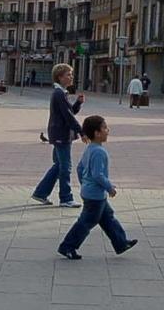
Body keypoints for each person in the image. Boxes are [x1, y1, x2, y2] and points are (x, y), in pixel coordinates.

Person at [57, 115, 138, 260]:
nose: (108, 130)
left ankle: (121, 243)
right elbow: (98, 175)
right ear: (97, 133)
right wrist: (109, 188)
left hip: (91, 193)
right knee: (86, 222)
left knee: (108, 218)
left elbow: (80, 168)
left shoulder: (90, 148)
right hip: (95, 195)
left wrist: (85, 185)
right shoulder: (99, 152)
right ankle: (68, 246)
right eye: (105, 128)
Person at [32, 63, 85, 208]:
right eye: (68, 74)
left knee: (58, 165)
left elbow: (68, 113)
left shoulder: (62, 93)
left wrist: (78, 104)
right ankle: (66, 198)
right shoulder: (59, 94)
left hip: (59, 133)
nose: (71, 77)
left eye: (71, 74)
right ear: (60, 77)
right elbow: (68, 117)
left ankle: (41, 192)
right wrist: (81, 131)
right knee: (65, 167)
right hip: (61, 134)